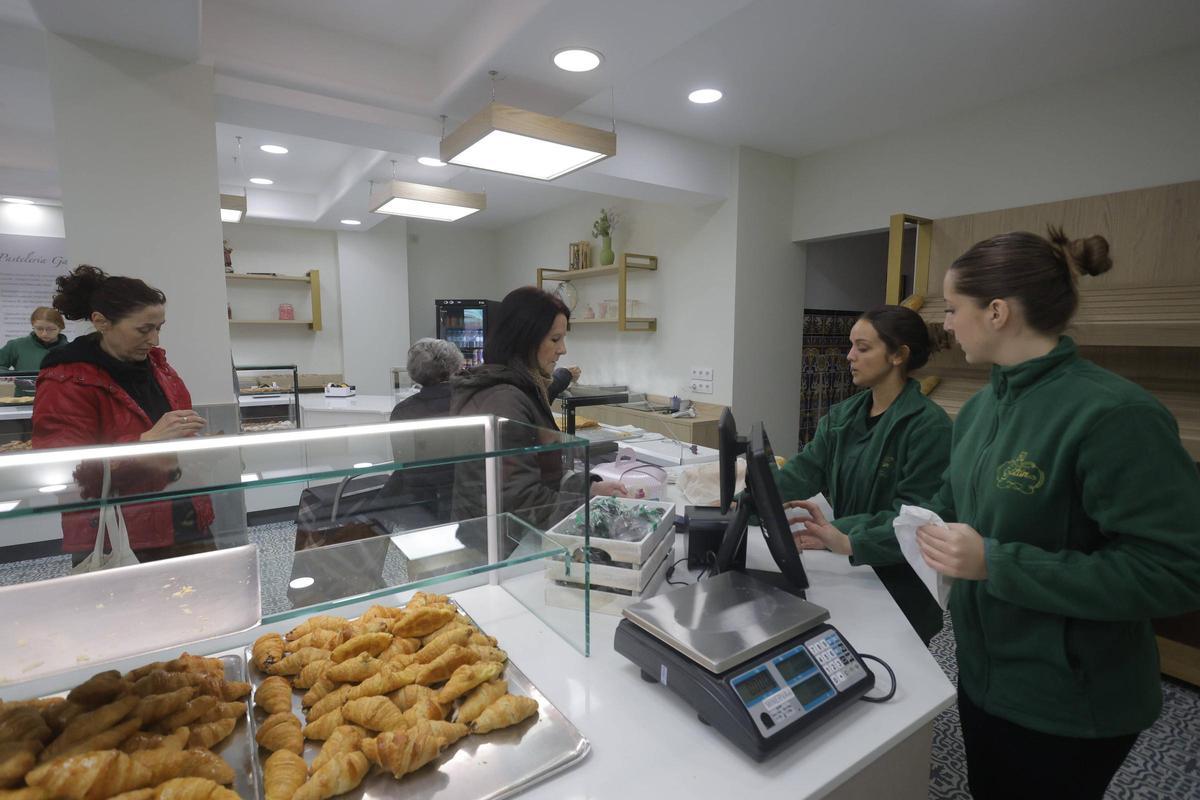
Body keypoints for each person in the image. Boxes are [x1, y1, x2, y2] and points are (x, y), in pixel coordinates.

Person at [806, 227, 1200, 798]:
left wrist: (997, 563)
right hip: (984, 673)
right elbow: (941, 510)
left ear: (996, 312)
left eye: (952, 308)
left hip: (1069, 700)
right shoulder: (981, 409)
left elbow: (1177, 570)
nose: (945, 324)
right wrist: (851, 537)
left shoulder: (1113, 415)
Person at [770, 305, 951, 644]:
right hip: (849, 567)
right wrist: (747, 501)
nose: (849, 356)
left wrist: (846, 537)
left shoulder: (929, 428)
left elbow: (916, 521)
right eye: (851, 345)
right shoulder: (844, 416)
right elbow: (804, 470)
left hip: (900, 589)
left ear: (898, 355)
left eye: (863, 348)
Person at [33, 264, 215, 563]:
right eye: (144, 329)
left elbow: (174, 434)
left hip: (183, 516)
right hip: (120, 533)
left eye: (158, 328)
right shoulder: (66, 380)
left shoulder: (158, 366)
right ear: (101, 322)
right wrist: (143, 443)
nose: (155, 340)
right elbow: (64, 469)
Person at [450, 287, 627, 534]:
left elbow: (542, 475)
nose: (563, 349)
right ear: (525, 340)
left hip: (503, 535)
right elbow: (521, 502)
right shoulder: (504, 401)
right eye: (555, 339)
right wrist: (589, 506)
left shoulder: (519, 389)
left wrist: (589, 489)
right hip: (502, 542)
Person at [0, 307, 68, 373]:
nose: (44, 334)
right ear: (33, 326)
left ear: (60, 328)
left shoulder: (69, 350)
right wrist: (9, 376)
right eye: (39, 329)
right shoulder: (16, 345)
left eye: (50, 329)